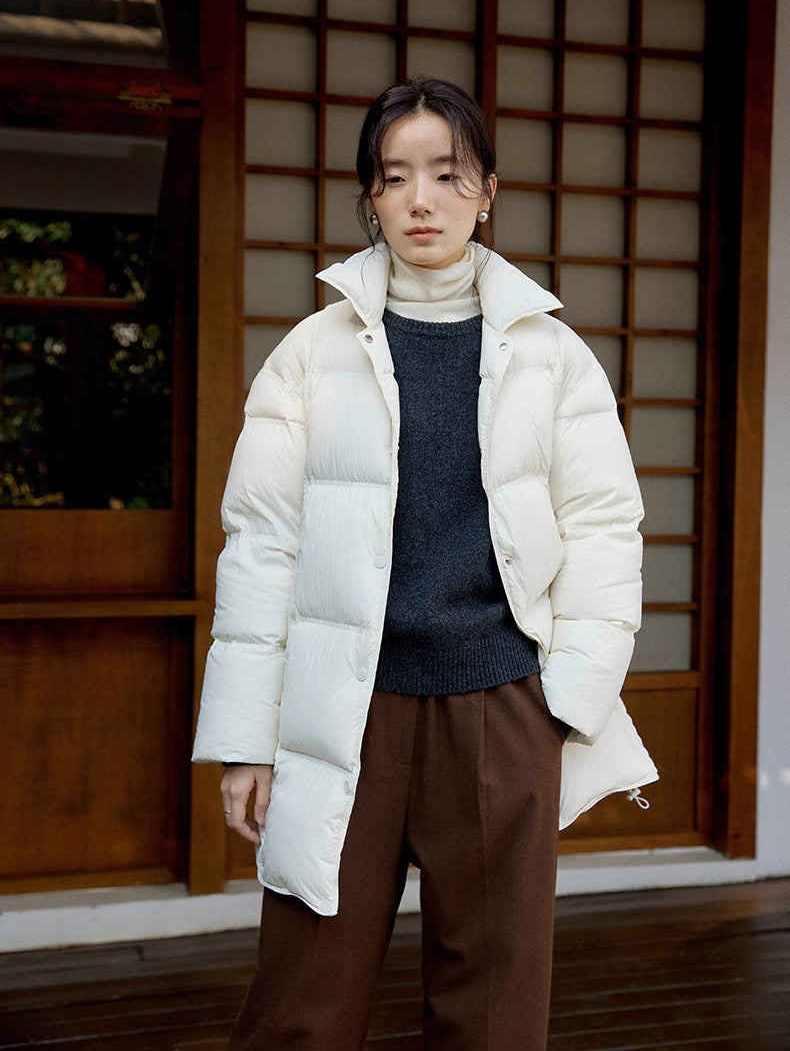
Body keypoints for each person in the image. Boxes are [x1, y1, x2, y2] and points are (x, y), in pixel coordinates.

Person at [192, 77, 658, 1051]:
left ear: (485, 189)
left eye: (446, 174)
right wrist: (245, 738)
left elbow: (606, 530)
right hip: (340, 710)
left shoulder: (553, 355)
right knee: (300, 1005)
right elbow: (261, 548)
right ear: (368, 194)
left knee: (493, 1013)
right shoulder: (310, 356)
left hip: (497, 708)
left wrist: (562, 703)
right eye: (394, 176)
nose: (420, 200)